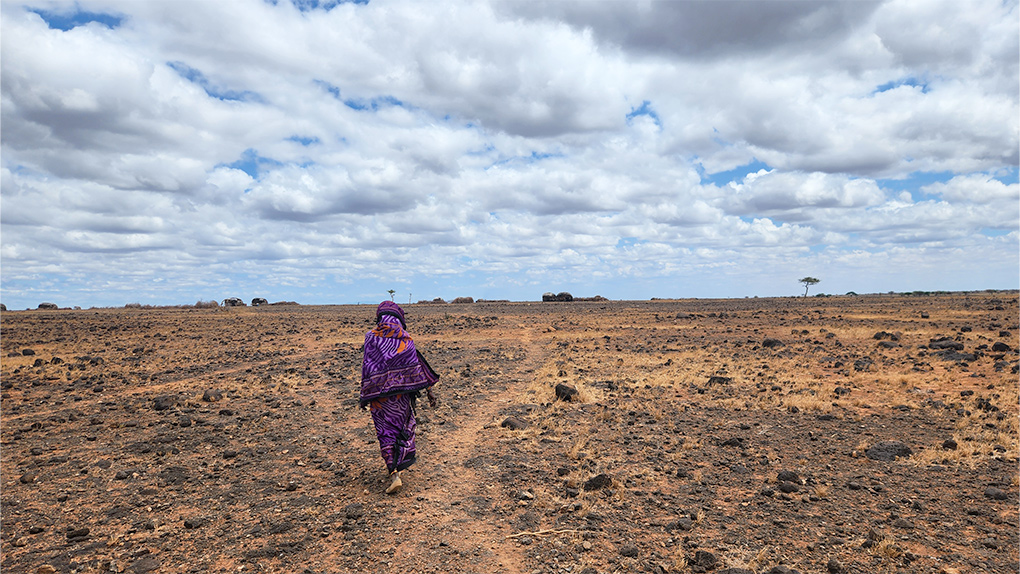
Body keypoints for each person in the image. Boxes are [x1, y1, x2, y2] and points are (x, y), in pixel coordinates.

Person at [360, 301, 438, 494]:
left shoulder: (371, 337)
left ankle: (393, 472)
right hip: (402, 396)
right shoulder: (406, 339)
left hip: (379, 396)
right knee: (402, 427)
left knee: (385, 431)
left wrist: (365, 393)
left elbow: (368, 367)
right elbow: (416, 365)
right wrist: (428, 390)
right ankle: (398, 465)